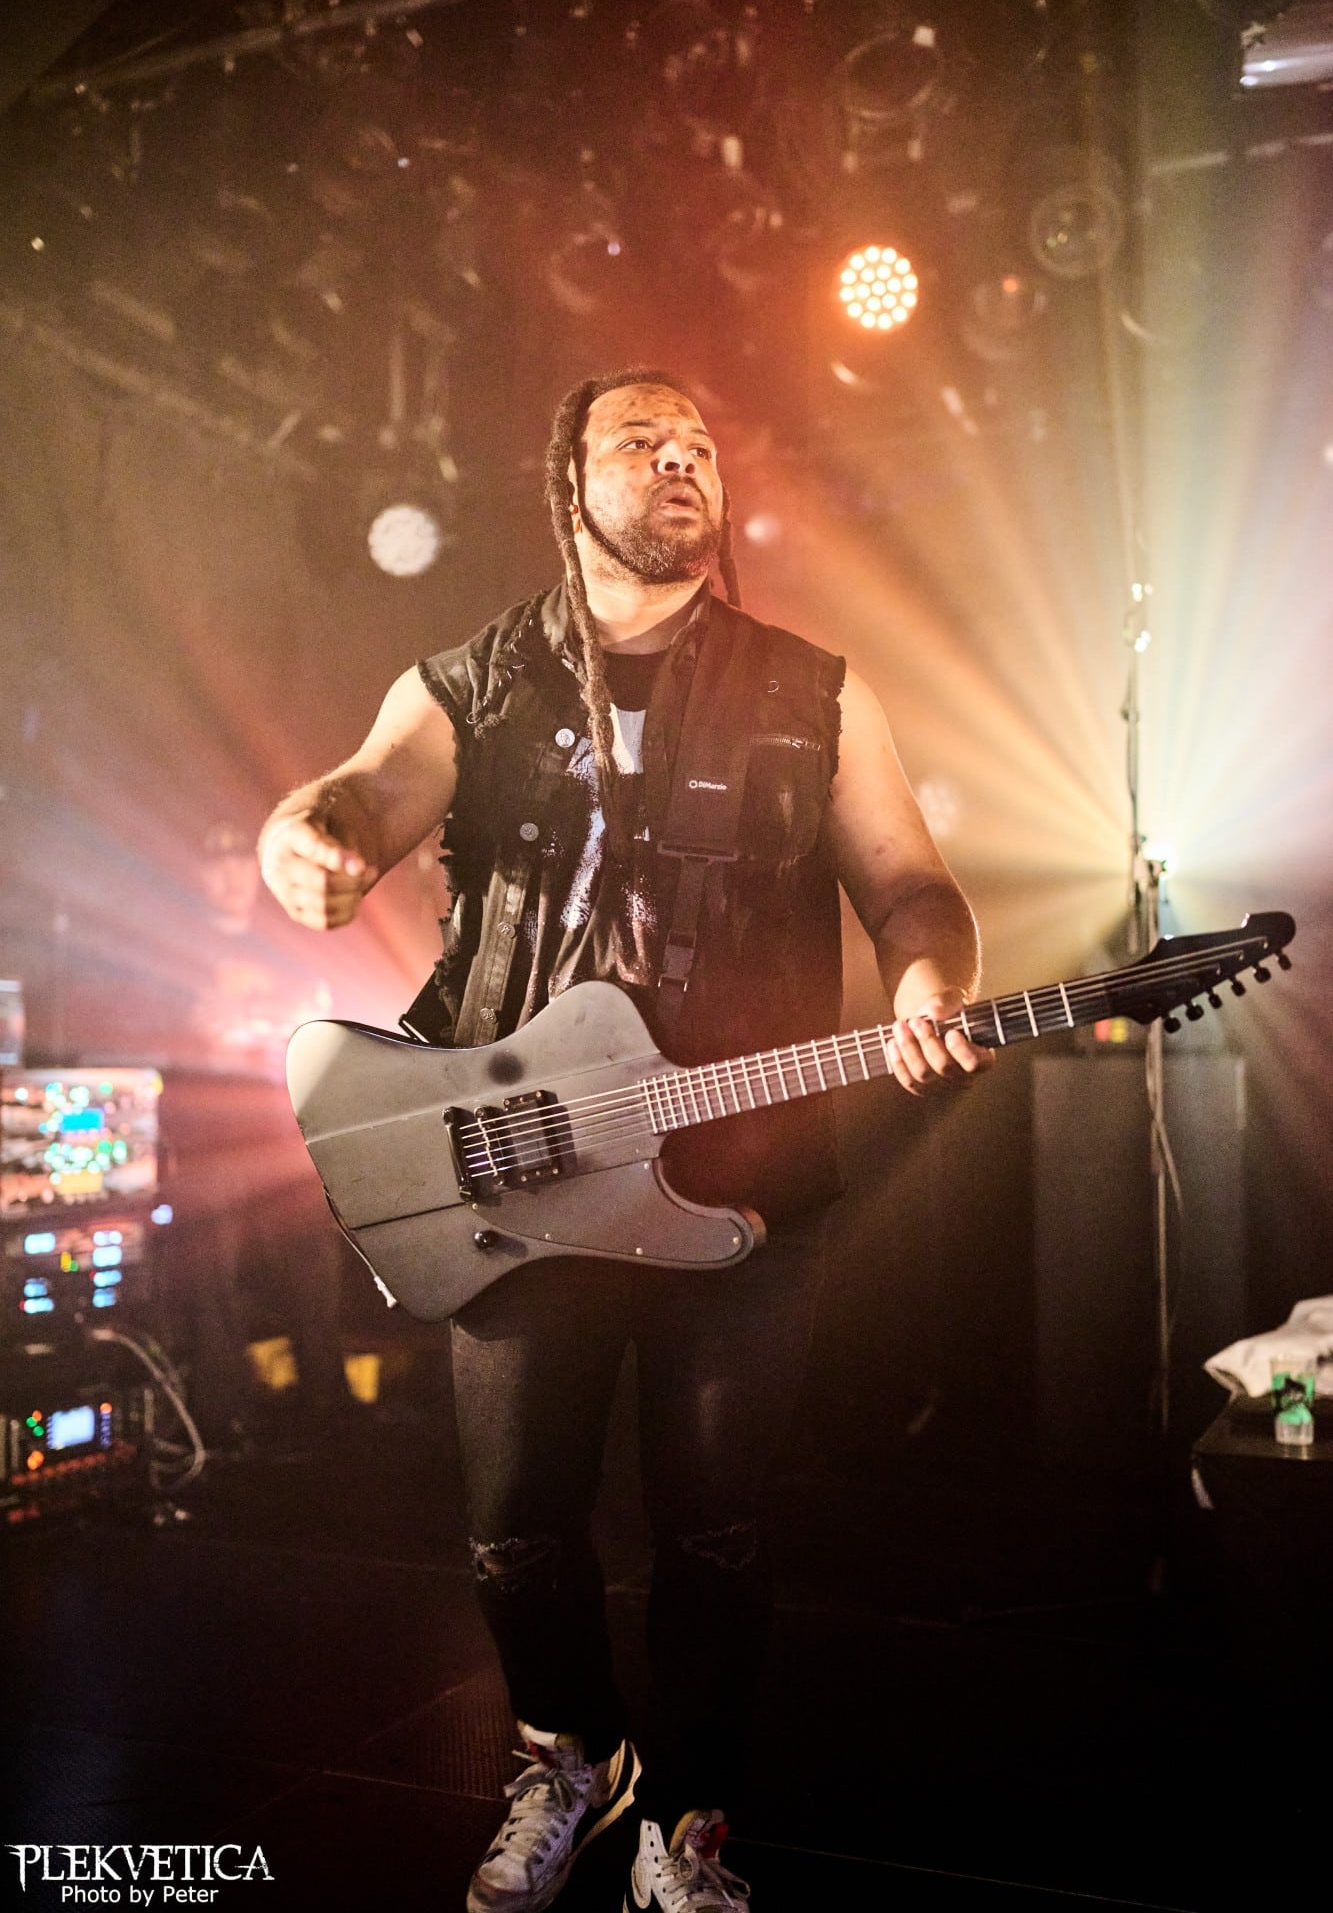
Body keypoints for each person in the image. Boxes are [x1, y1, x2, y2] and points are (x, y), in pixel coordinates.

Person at [259, 368, 994, 1912]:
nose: (681, 460)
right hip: (519, 1170)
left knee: (715, 1530)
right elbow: (365, 796)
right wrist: (305, 838)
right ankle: (567, 1760)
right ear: (564, 480)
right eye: (641, 440)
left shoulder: (816, 689)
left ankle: (695, 1811)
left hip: (745, 1175)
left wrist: (931, 983)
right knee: (515, 1530)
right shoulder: (468, 682)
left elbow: (911, 889)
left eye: (701, 445)